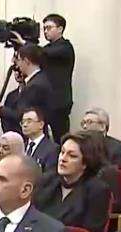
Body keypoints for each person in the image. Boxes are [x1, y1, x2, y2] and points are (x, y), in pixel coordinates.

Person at [33, 130, 112, 232]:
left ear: (85, 163)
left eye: (72, 156)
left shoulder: (97, 190)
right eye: (62, 152)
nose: (63, 159)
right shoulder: (46, 181)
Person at [0, 43, 53, 137]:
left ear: (26, 61)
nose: (18, 65)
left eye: (19, 60)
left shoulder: (34, 86)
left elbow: (22, 116)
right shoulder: (41, 79)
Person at [41, 13, 75, 142]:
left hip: (59, 102)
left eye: (49, 28)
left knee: (61, 139)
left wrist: (25, 43)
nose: (45, 31)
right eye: (44, 28)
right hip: (45, 100)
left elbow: (43, 53)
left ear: (60, 29)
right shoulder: (47, 49)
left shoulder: (65, 47)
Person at [21, 107, 59, 171]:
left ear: (41, 124)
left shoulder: (52, 149)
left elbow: (50, 174)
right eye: (23, 122)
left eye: (29, 121)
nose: (25, 125)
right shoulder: (21, 147)